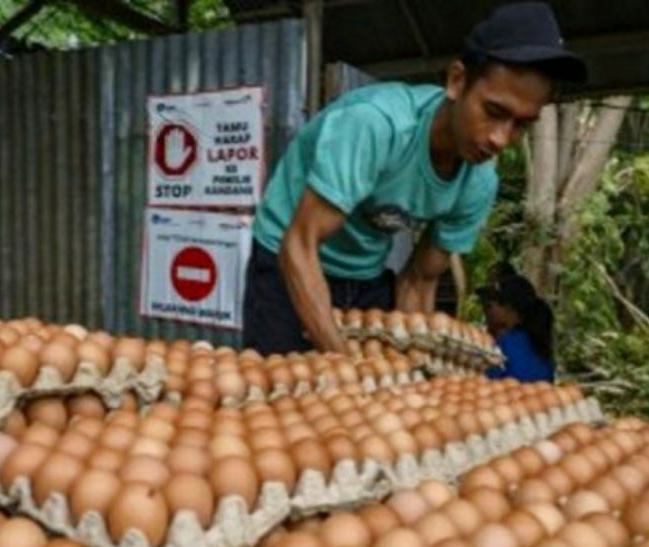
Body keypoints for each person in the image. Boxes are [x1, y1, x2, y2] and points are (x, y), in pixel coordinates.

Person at [240, 2, 586, 355]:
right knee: (290, 393)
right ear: (457, 81)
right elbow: (299, 246)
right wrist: (344, 362)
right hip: (289, 256)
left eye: (522, 124)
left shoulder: (479, 182)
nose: (500, 138)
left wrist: (415, 366)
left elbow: (420, 280)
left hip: (365, 274)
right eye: (493, 111)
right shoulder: (375, 126)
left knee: (384, 392)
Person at [480, 273, 555, 382]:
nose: (486, 312)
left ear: (508, 307)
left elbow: (487, 381)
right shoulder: (540, 343)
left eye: (489, 306)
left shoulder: (506, 343)